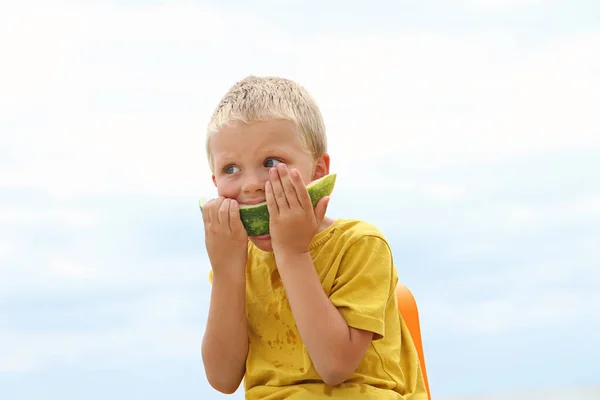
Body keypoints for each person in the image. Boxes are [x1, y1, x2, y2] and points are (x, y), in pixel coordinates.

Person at [200, 75, 428, 399]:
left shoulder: (361, 245)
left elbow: (335, 366)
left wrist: (292, 253)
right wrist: (225, 271)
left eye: (271, 163)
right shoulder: (236, 265)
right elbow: (223, 379)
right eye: (231, 169)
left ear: (318, 171)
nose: (250, 184)